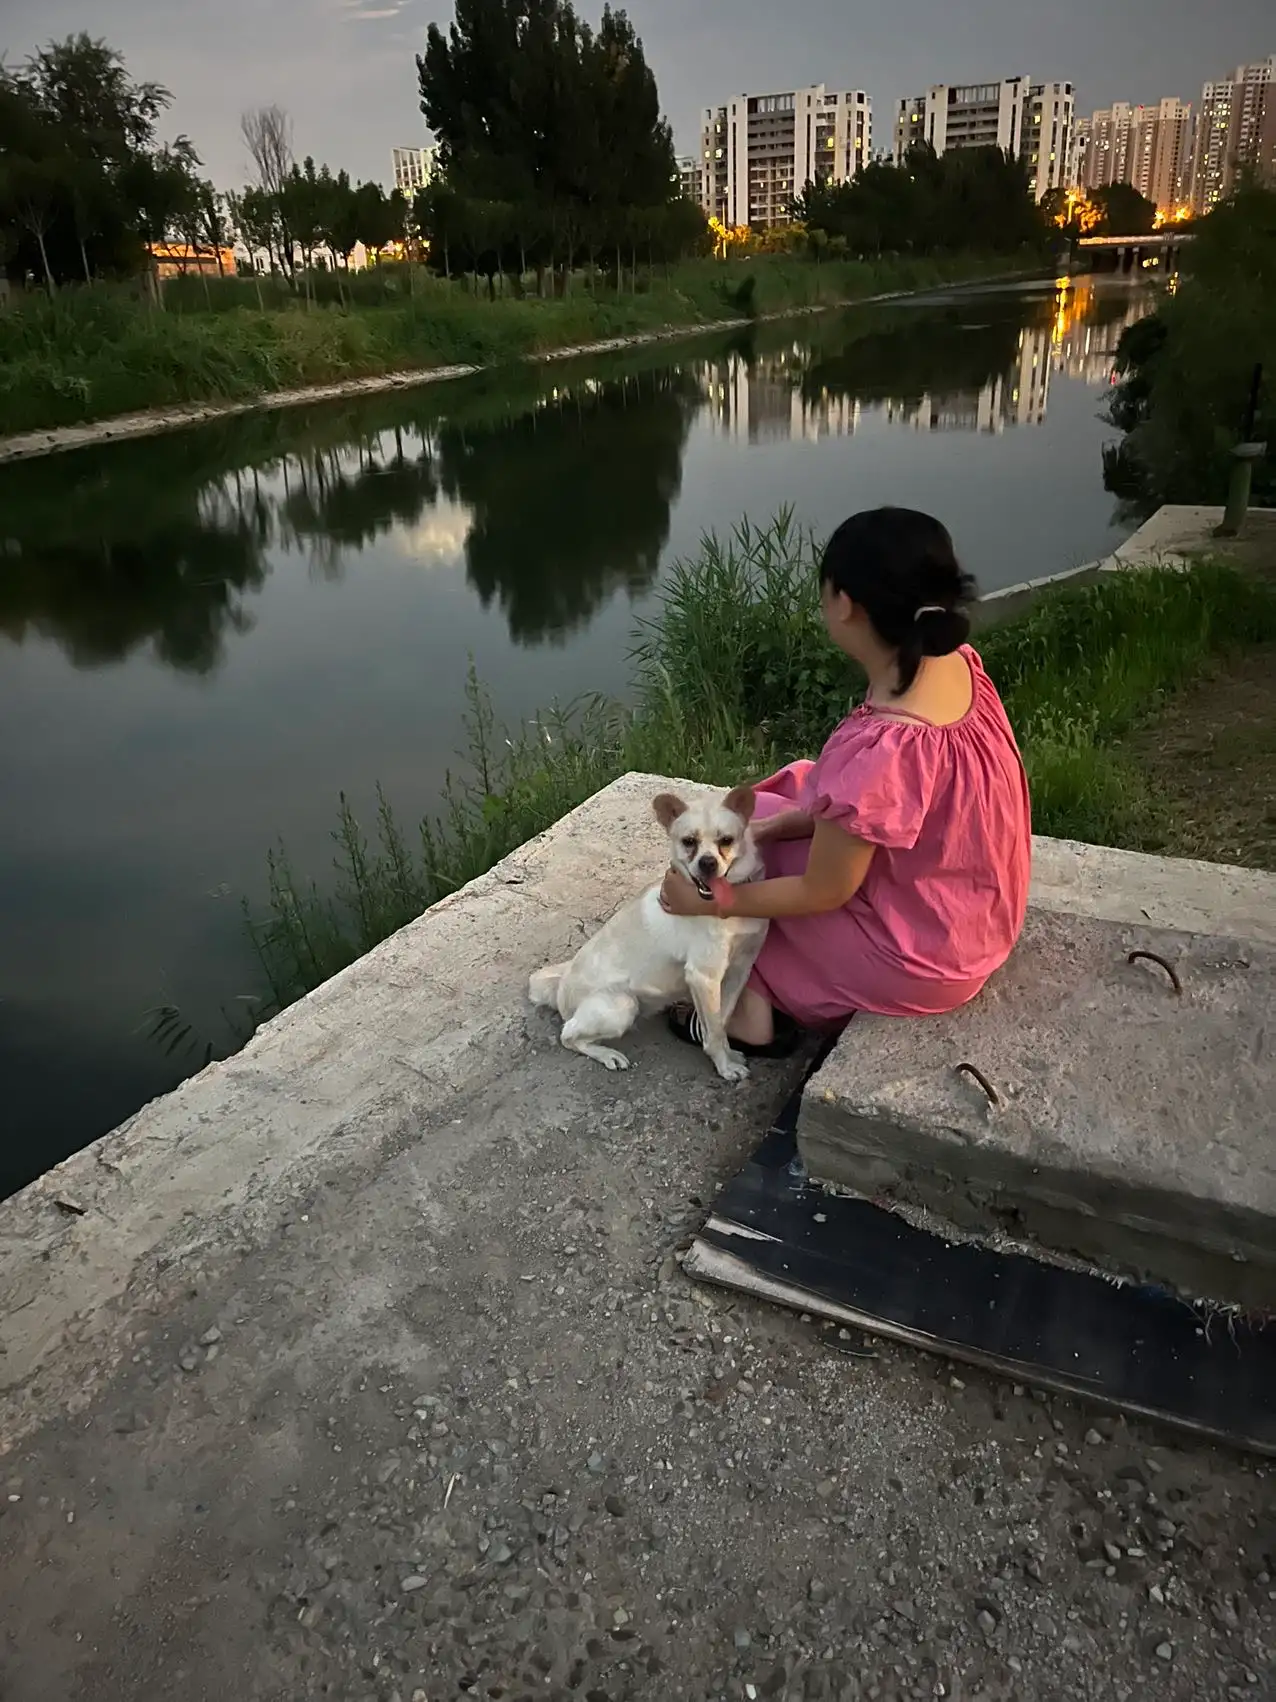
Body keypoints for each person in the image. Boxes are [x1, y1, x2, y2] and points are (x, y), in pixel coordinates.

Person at [659, 506, 1032, 1057]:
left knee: (745, 872)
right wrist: (787, 822)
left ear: (845, 604)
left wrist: (709, 904)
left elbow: (824, 890)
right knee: (772, 808)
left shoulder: (883, 745)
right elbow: (892, 800)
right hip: (978, 916)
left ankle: (747, 1015)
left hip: (922, 960)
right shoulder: (959, 666)